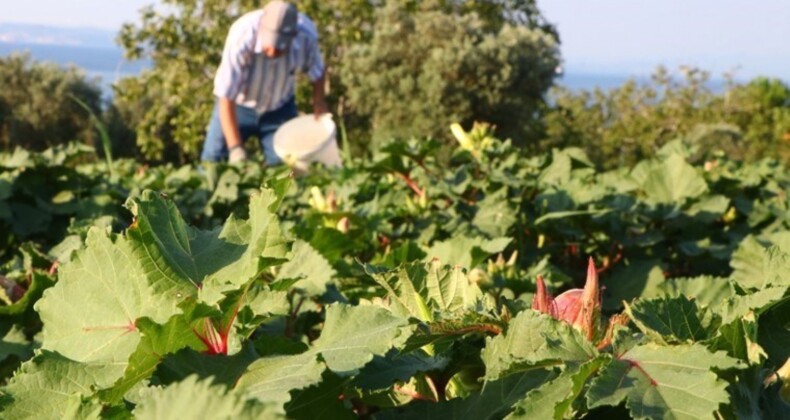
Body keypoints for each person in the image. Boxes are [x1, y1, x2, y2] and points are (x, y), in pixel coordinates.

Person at [201, 1, 327, 164]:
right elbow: (225, 96)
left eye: (280, 47)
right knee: (212, 160)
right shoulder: (242, 35)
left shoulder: (306, 36)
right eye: (270, 45)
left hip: (279, 109)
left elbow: (317, 71)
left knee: (287, 167)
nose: (273, 51)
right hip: (237, 107)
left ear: (293, 35)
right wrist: (235, 148)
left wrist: (319, 104)